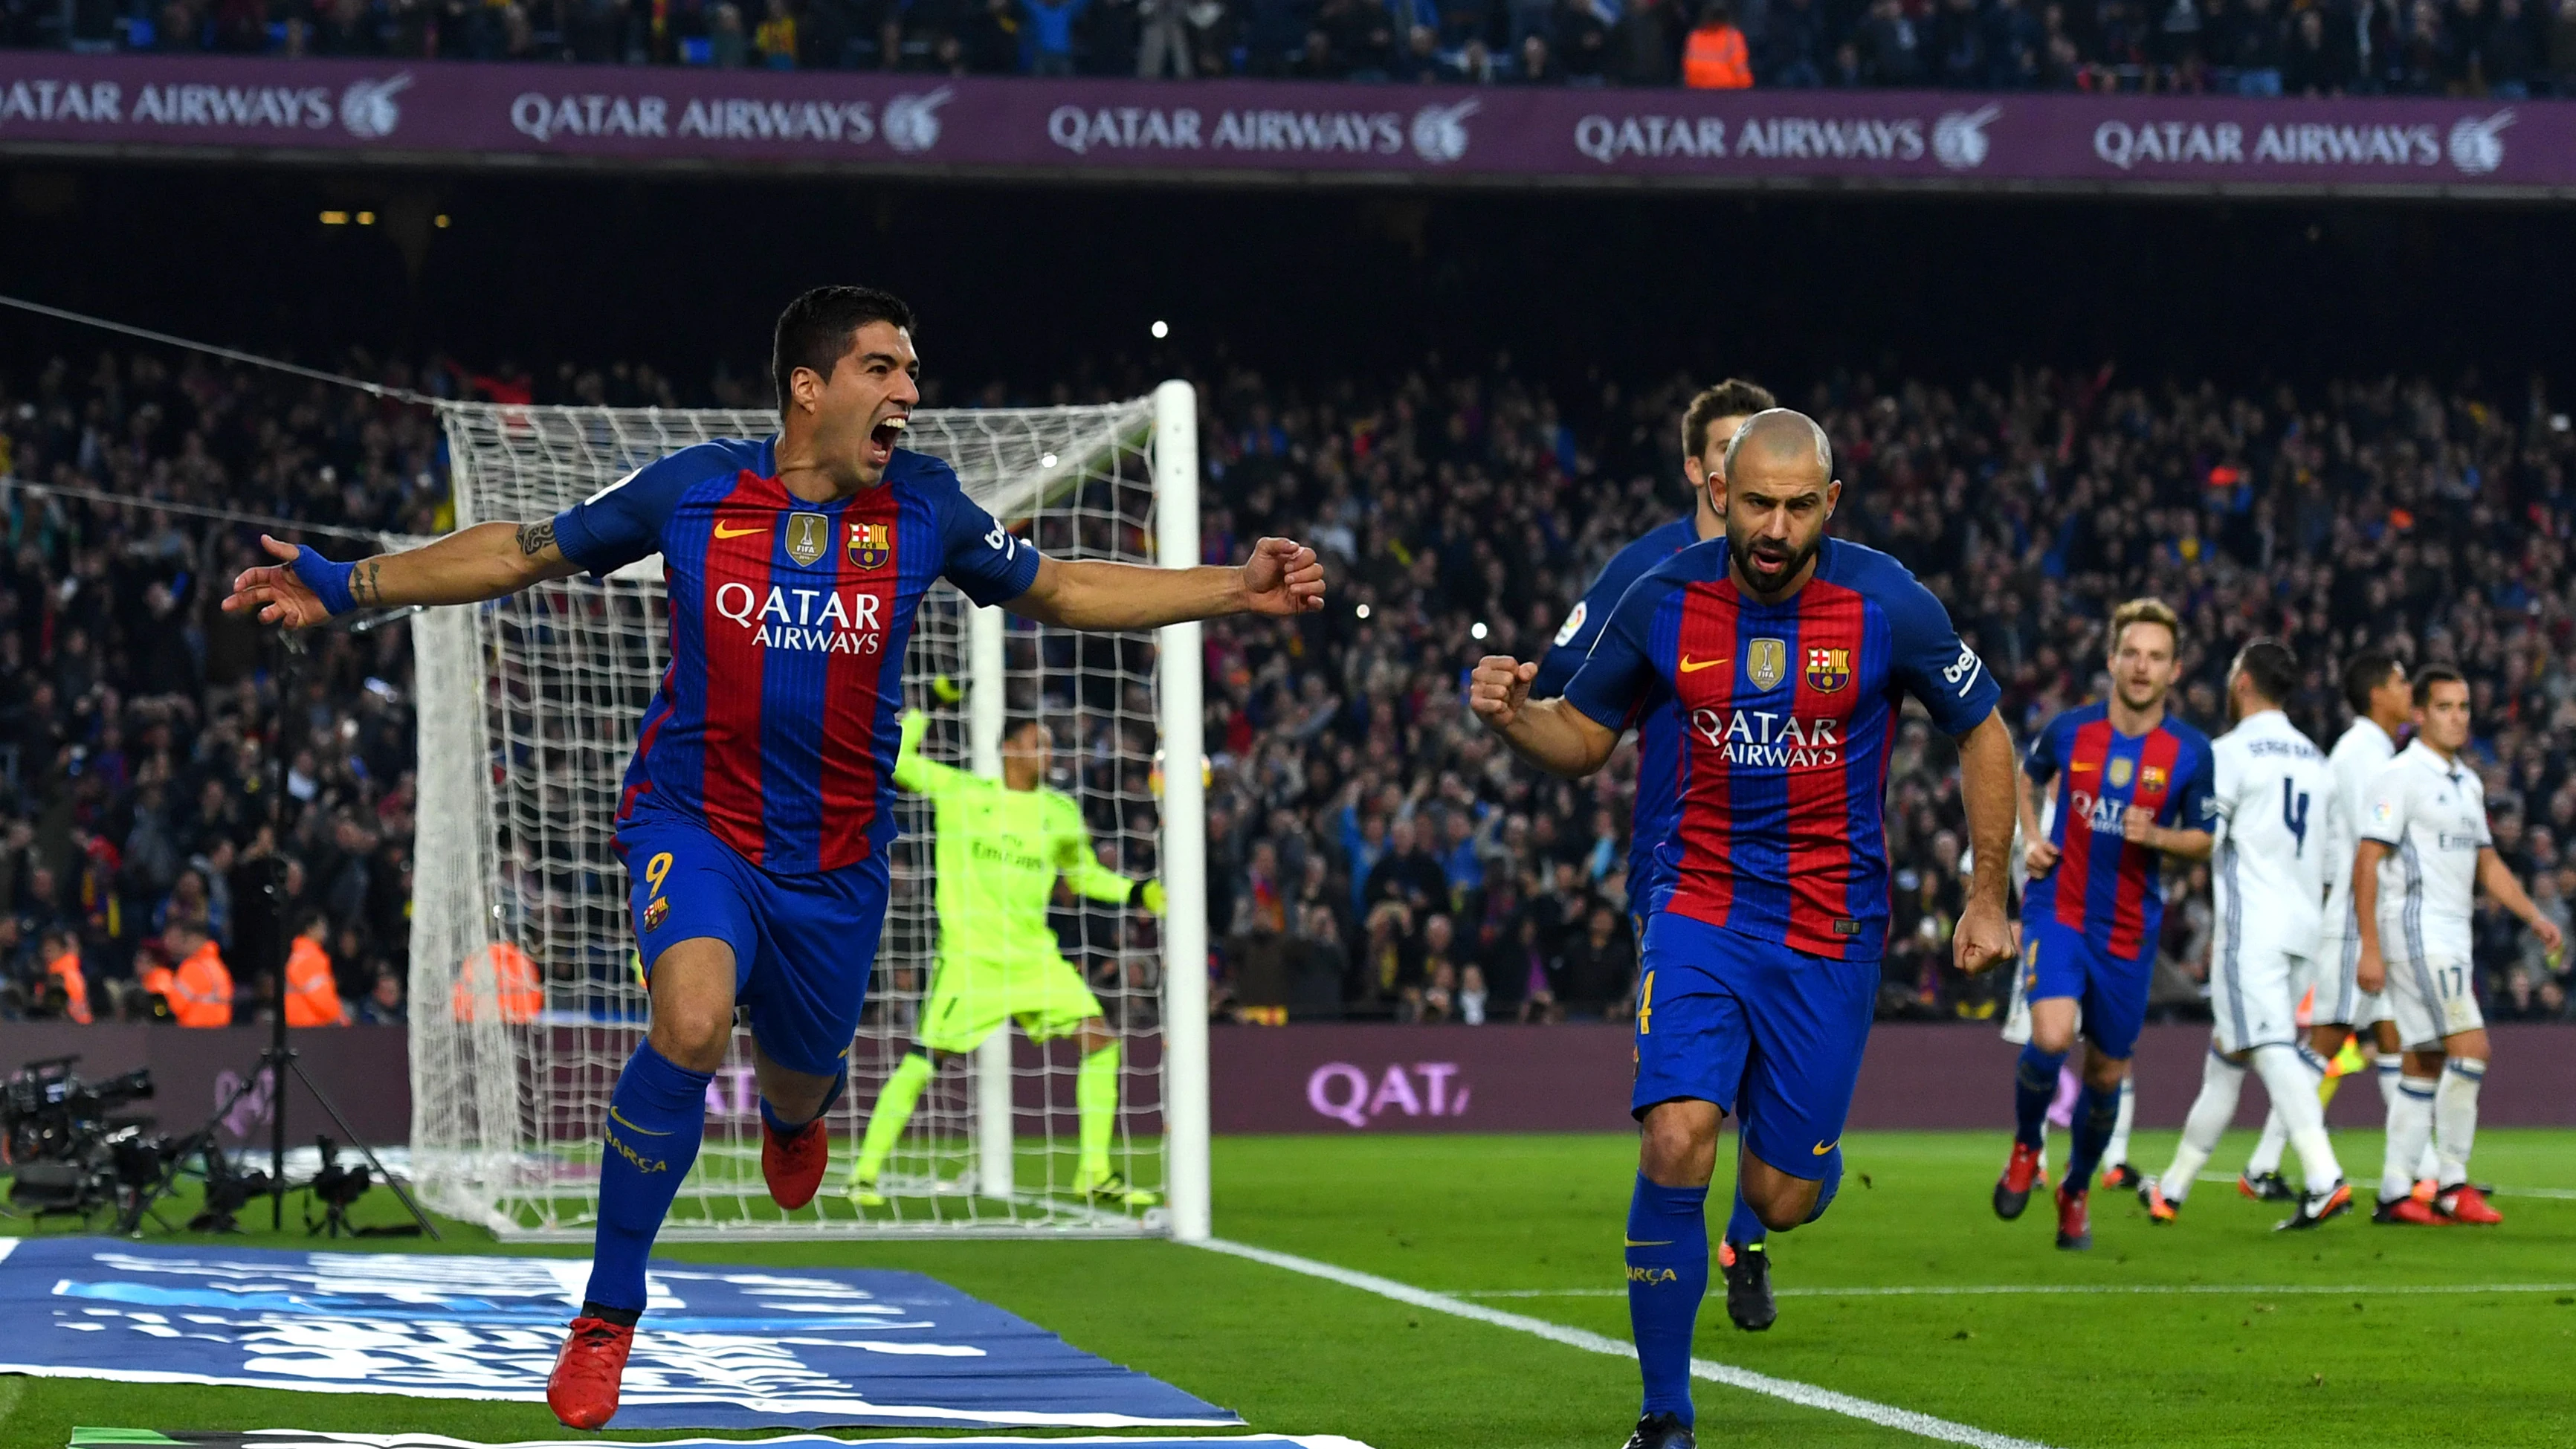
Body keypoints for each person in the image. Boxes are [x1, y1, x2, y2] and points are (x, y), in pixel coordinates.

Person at [221, 285, 1326, 1430]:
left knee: (800, 1072)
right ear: (810, 386)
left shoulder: (929, 509)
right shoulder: (694, 489)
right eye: (884, 368)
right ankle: (606, 1313)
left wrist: (1231, 591)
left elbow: (1059, 588)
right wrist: (350, 587)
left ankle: (796, 1116)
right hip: (692, 823)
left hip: (836, 867)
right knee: (692, 1023)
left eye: (910, 370)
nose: (909, 391)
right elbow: (519, 551)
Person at [1469, 409, 2016, 1449]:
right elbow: (1582, 738)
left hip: (1829, 921)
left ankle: (1790, 1176)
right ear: (1719, 493)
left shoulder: (1885, 599)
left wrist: (1986, 895)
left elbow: (1981, 730)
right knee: (1677, 1134)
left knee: (1782, 1192)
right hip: (1694, 906)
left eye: (1797, 505)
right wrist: (1511, 719)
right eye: (1756, 501)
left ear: (1829, 505)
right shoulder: (1661, 597)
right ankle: (1665, 1417)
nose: (1774, 526)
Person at [1532, 378, 1792, 1332]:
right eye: (1727, 451)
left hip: (1800, 866)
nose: (1741, 469)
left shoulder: (1815, 571)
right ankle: (1671, 1386)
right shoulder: (1646, 574)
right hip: (1681, 861)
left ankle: (1749, 1231)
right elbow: (1565, 680)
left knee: (1773, 1086)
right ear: (1697, 466)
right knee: (1694, 1102)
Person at [847, 709, 1166, 1208]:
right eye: (1037, 742)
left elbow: (1084, 878)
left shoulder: (1059, 812)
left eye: (1049, 744)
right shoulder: (964, 793)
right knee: (925, 1060)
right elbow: (894, 760)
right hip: (972, 961)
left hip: (1035, 959)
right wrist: (931, 704)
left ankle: (1094, 1171)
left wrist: (1137, 891)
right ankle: (863, 1174)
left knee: (1101, 1042)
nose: (1048, 752)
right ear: (1009, 749)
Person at [1996, 596, 2214, 1251]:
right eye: (2132, 653)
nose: (2142, 666)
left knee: (2105, 1076)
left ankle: (2076, 1188)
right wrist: (2031, 837)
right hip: (2058, 907)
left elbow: (2204, 838)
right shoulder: (2070, 730)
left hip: (2127, 931)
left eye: (2156, 656)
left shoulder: (2190, 752)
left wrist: (2163, 836)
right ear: (2112, 659)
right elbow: (2024, 777)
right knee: (2051, 1034)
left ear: (2173, 670)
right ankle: (2027, 1144)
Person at [2138, 640, 2350, 1230]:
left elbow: (2206, 838)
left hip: (2252, 926)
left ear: (2243, 683)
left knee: (2270, 1045)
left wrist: (2150, 835)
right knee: (2228, 1058)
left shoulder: (2227, 752)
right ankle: (2173, 1188)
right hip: (2303, 925)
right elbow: (2333, 863)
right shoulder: (2315, 759)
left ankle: (2323, 1176)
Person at [2351, 666, 2563, 1226]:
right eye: (2444, 706)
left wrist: (2532, 915)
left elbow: (2486, 863)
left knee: (2424, 1060)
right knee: (2472, 1048)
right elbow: (2367, 859)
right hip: (2417, 932)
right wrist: (2368, 946)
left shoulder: (2466, 782)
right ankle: (2451, 1181)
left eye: (2463, 706)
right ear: (2419, 714)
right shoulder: (2399, 776)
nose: (2457, 716)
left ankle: (2395, 1191)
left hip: (2451, 934)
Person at [2238, 650, 2418, 1200]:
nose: (2407, 688)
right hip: (2351, 919)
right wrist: (2369, 938)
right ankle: (2262, 1164)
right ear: (2375, 694)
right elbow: (2368, 851)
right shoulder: (2361, 754)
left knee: (2391, 1037)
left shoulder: (2376, 750)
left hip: (2370, 920)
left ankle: (2419, 1171)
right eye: (2399, 679)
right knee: (2324, 1040)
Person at [164, 921, 235, 1028]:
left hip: (195, 1032)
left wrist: (158, 1001)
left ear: (196, 939)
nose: (183, 946)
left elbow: (175, 1006)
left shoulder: (192, 967)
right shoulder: (218, 966)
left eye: (186, 941)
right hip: (220, 1030)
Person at [283, 914, 344, 1028]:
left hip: (297, 1023)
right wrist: (338, 1017)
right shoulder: (311, 958)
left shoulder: (297, 955)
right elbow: (320, 996)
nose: (325, 932)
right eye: (322, 927)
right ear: (310, 929)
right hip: (312, 1025)